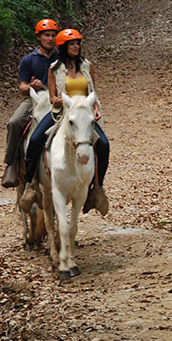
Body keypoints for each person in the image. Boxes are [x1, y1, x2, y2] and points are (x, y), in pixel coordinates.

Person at [23, 28, 109, 215]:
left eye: (78, 43)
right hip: (61, 112)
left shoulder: (87, 65)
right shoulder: (54, 68)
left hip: (84, 114)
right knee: (36, 139)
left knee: (103, 144)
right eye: (72, 44)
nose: (76, 47)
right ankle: (30, 185)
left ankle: (97, 189)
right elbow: (53, 98)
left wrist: (94, 109)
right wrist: (71, 101)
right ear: (63, 47)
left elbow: (92, 92)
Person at [2, 18, 59, 188]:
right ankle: (10, 164)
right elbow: (21, 87)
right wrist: (30, 86)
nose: (50, 39)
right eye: (47, 35)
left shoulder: (61, 57)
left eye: (53, 35)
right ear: (39, 37)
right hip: (34, 99)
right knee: (14, 122)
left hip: (57, 99)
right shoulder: (28, 60)